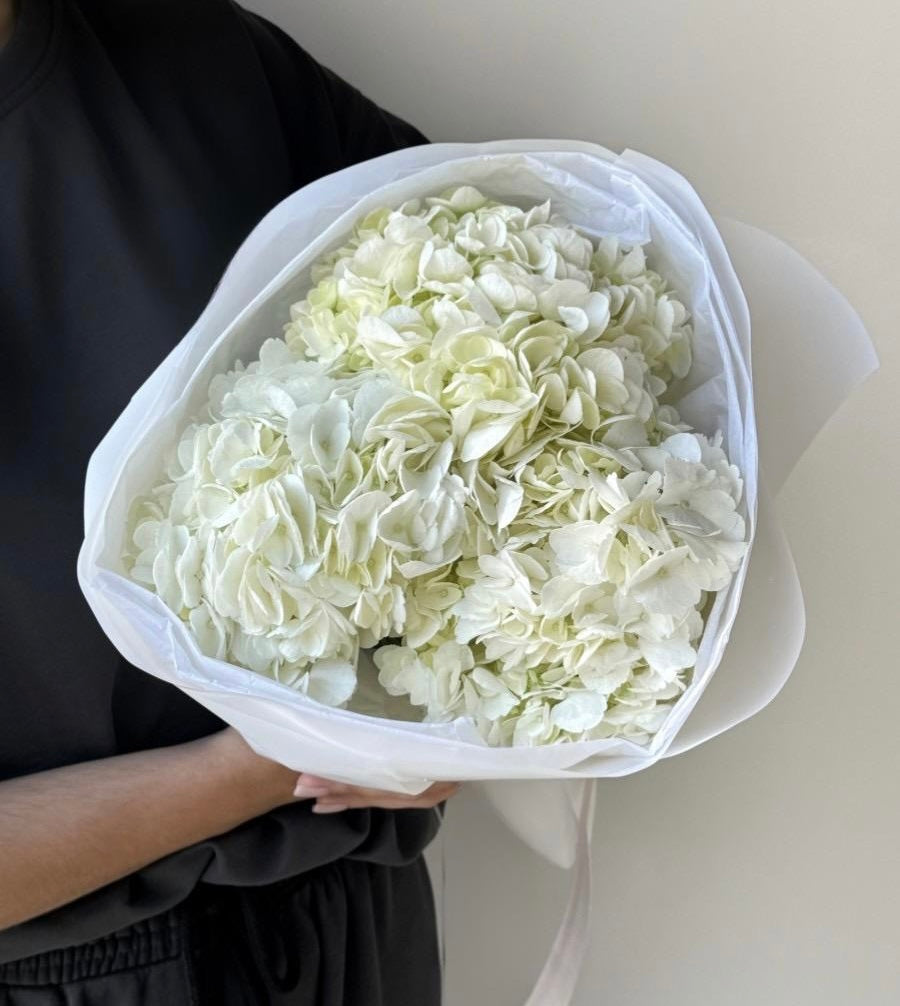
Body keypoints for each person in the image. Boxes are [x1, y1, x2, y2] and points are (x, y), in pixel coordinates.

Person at [0, 0, 458, 1002]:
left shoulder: (194, 52)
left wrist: (460, 698)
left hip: (349, 914)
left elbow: (487, 317)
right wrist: (273, 762)